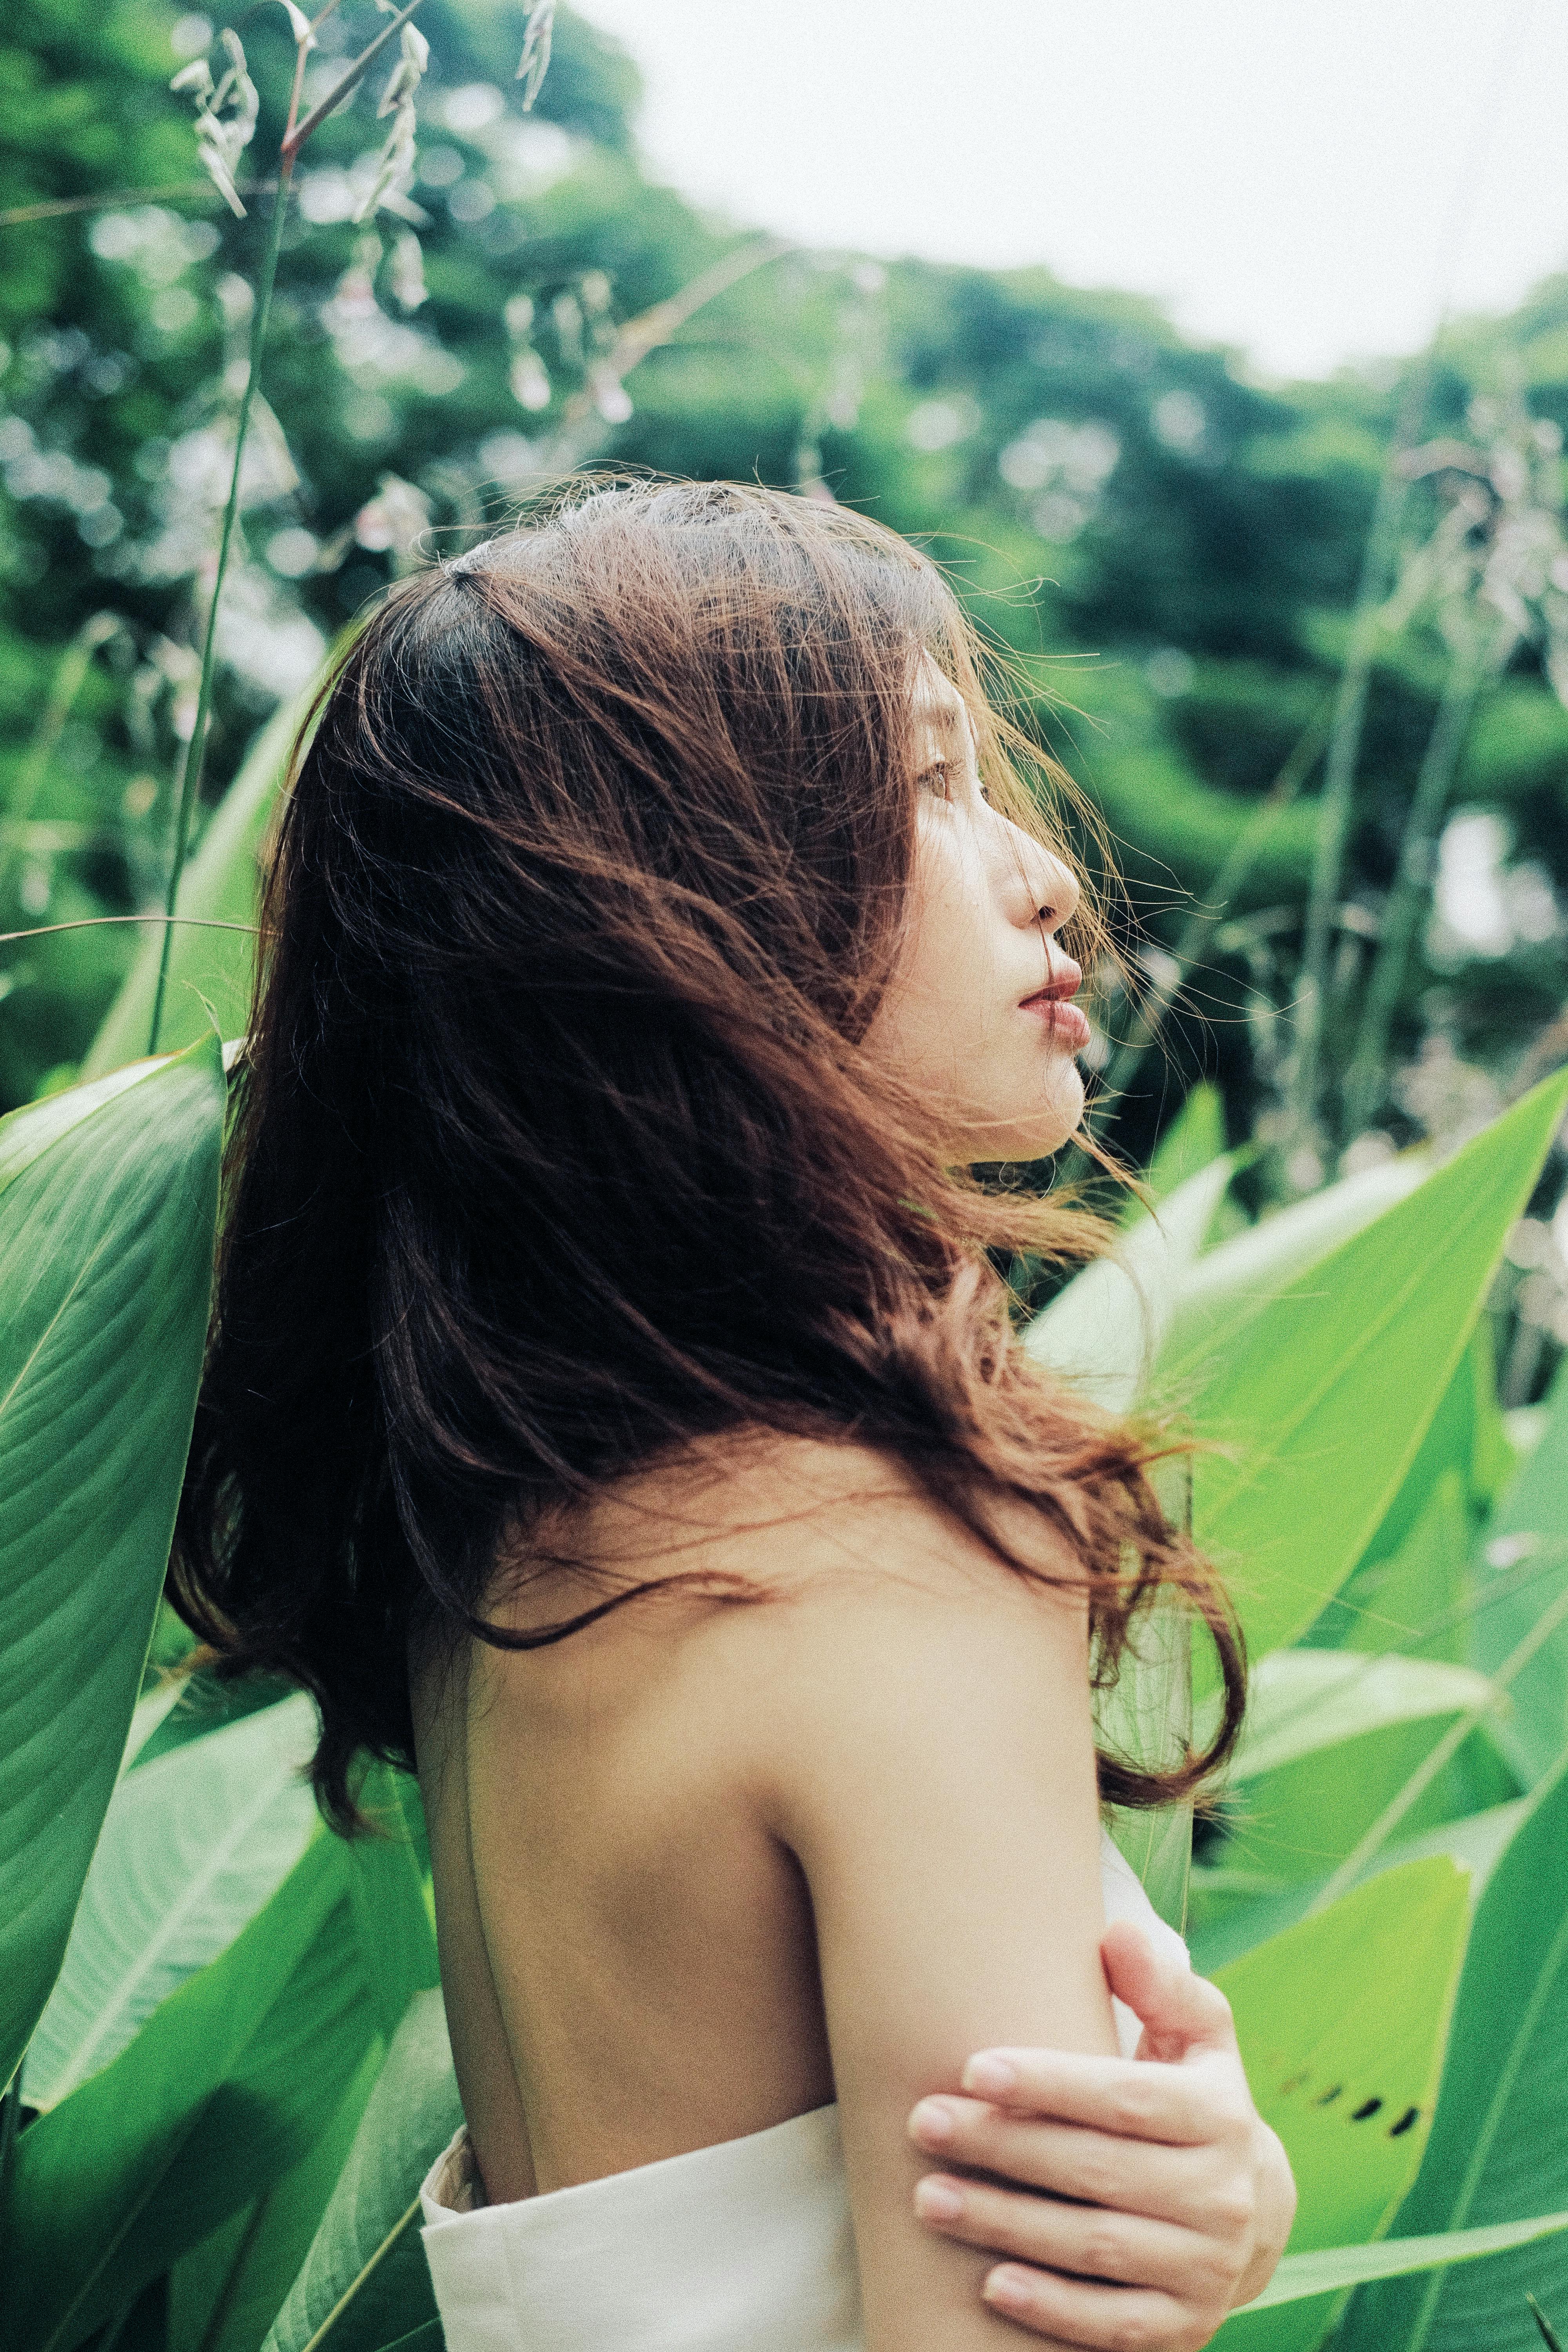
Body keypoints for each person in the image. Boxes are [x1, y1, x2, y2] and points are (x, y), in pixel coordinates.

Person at [172, 477, 1294, 2351]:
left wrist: (1209, 2209)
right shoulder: (883, 1550)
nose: (1047, 879)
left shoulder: (537, 1534)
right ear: (667, 922)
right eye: (927, 789)